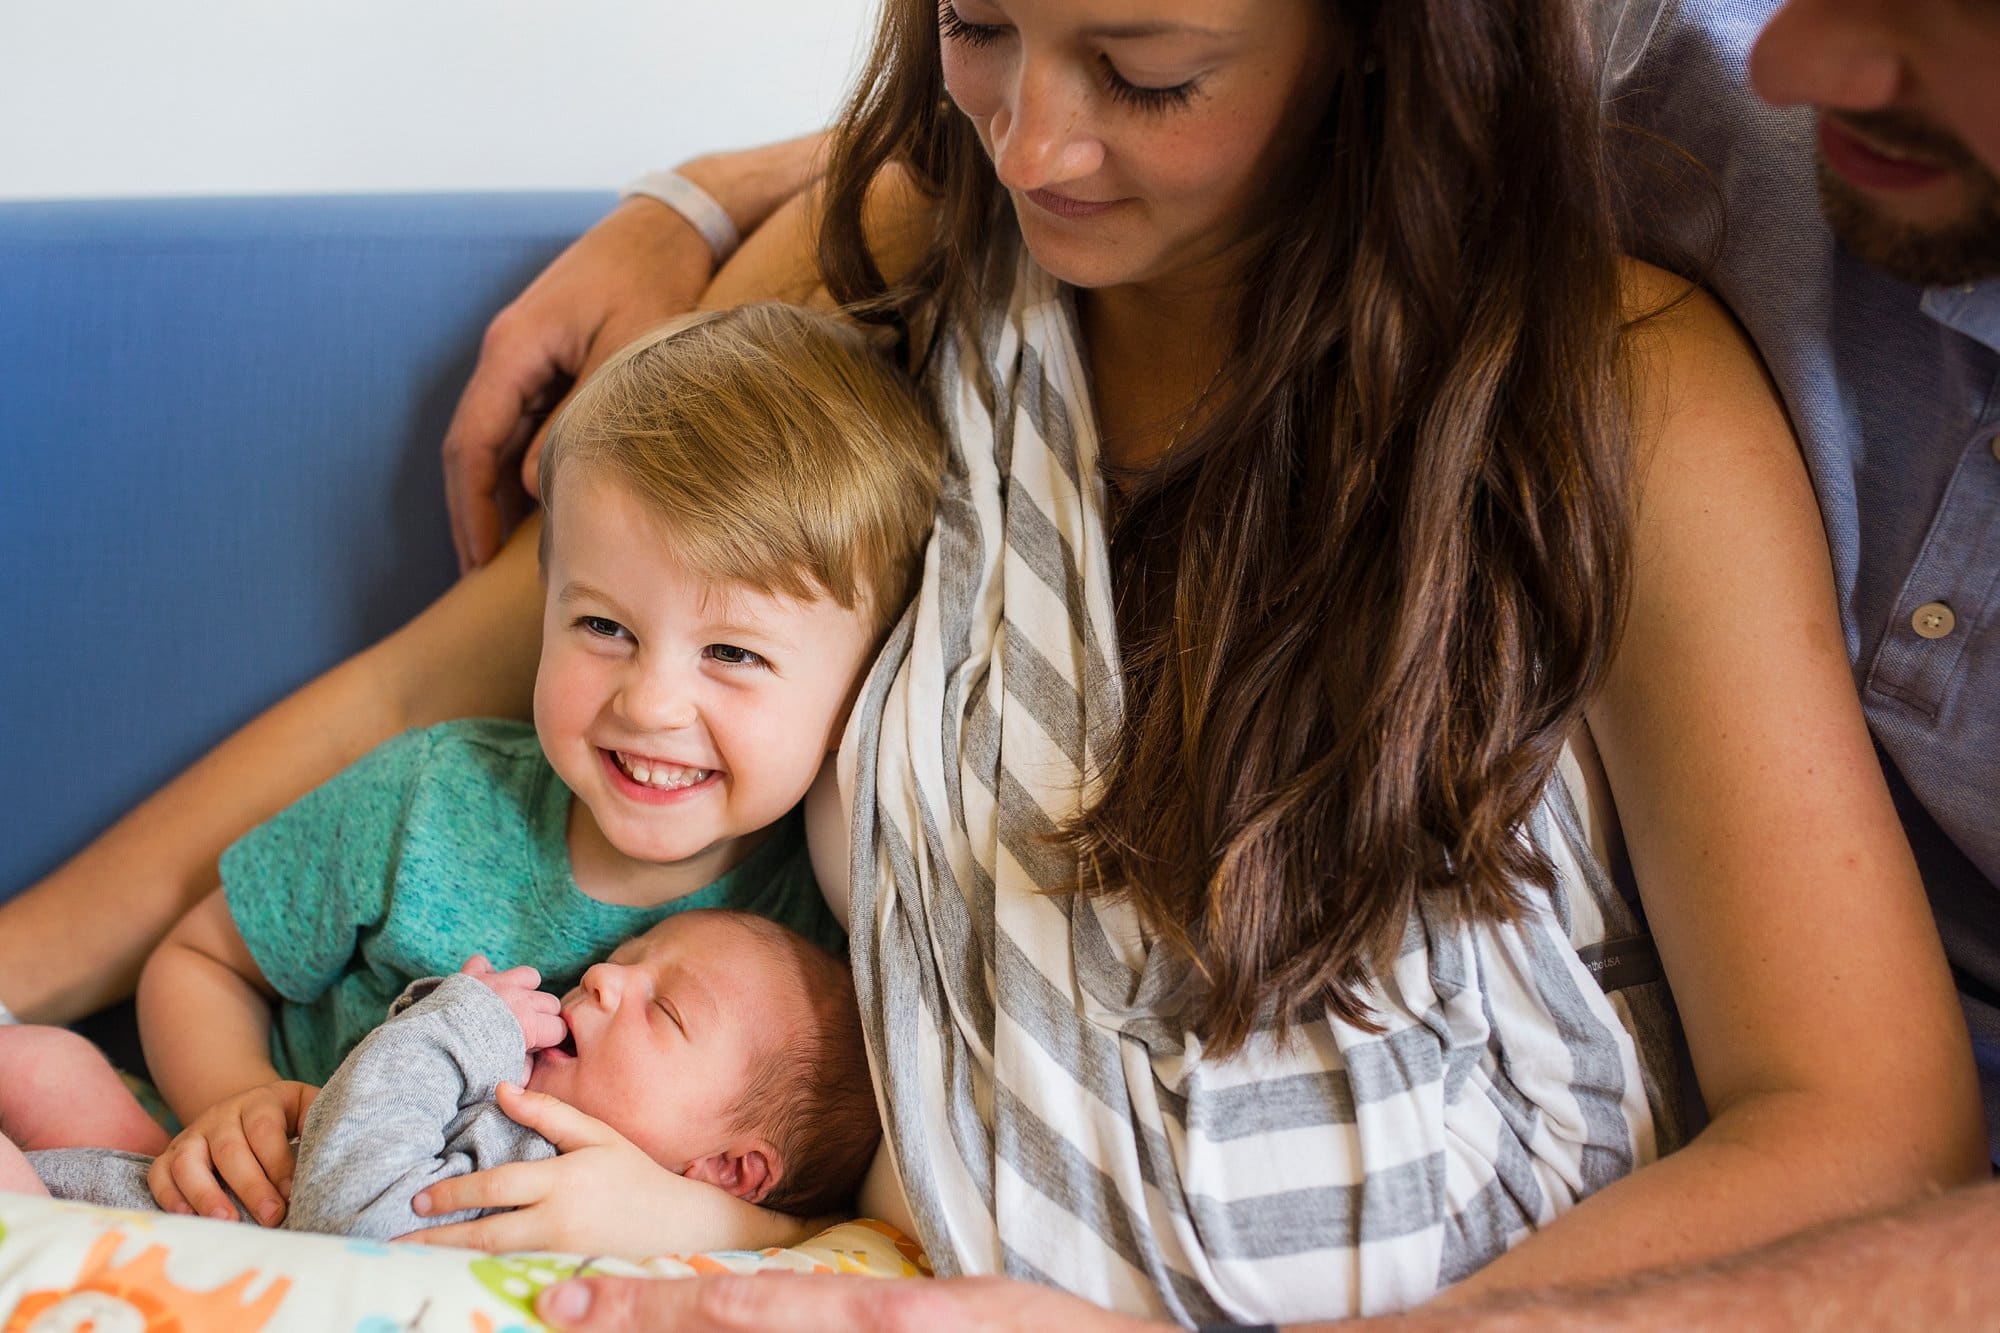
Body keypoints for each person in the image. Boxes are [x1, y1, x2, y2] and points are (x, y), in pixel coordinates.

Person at [0, 0, 1984, 1325]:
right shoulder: (886, 267)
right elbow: (419, 689)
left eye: (1145, 69)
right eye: (979, 27)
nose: (1035, 140)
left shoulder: (1609, 394)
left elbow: (1862, 1126)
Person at [5, 301, 940, 1234]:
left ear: (857, 703)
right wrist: (239, 1099)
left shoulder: (811, 953)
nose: (650, 703)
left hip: (447, 1259)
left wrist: (698, 1219)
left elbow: (820, 1204)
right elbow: (203, 957)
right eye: (603, 626)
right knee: (46, 1072)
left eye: (732, 654)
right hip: (222, 1188)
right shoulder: (431, 800)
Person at [0, 910, 880, 1242]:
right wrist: (444, 1024)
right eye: (629, 957)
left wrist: (455, 1030)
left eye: (666, 1009)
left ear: (731, 1170)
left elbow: (353, 1224)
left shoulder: (556, 1203)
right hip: (185, 1191)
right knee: (51, 1065)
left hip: (112, 1256)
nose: (607, 978)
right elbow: (376, 1093)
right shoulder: (528, 1102)